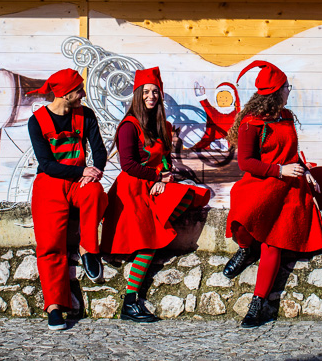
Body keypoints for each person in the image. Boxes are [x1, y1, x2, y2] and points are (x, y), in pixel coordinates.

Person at [222, 60, 322, 328]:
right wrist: (279, 170)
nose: (289, 92)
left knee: (273, 242)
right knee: (244, 212)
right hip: (262, 181)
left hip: (290, 189)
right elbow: (246, 162)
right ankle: (246, 249)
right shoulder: (251, 123)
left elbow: (292, 156)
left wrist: (305, 172)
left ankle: (257, 304)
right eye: (286, 87)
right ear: (277, 91)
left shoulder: (287, 117)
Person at [100, 67, 211, 323]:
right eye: (146, 92)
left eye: (155, 92)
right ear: (137, 94)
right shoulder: (128, 127)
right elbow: (127, 164)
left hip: (152, 187)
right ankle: (129, 304)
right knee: (148, 245)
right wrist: (156, 178)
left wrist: (164, 175)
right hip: (131, 191)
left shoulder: (162, 125)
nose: (151, 96)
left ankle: (131, 303)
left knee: (188, 194)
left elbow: (165, 161)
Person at [25, 68, 108, 331]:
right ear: (65, 94)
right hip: (50, 184)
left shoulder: (86, 115)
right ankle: (54, 306)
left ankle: (88, 249)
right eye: (79, 90)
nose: (83, 94)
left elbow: (99, 152)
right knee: (50, 244)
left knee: (96, 194)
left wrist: (92, 174)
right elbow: (47, 165)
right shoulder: (36, 121)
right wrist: (80, 170)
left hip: (79, 183)